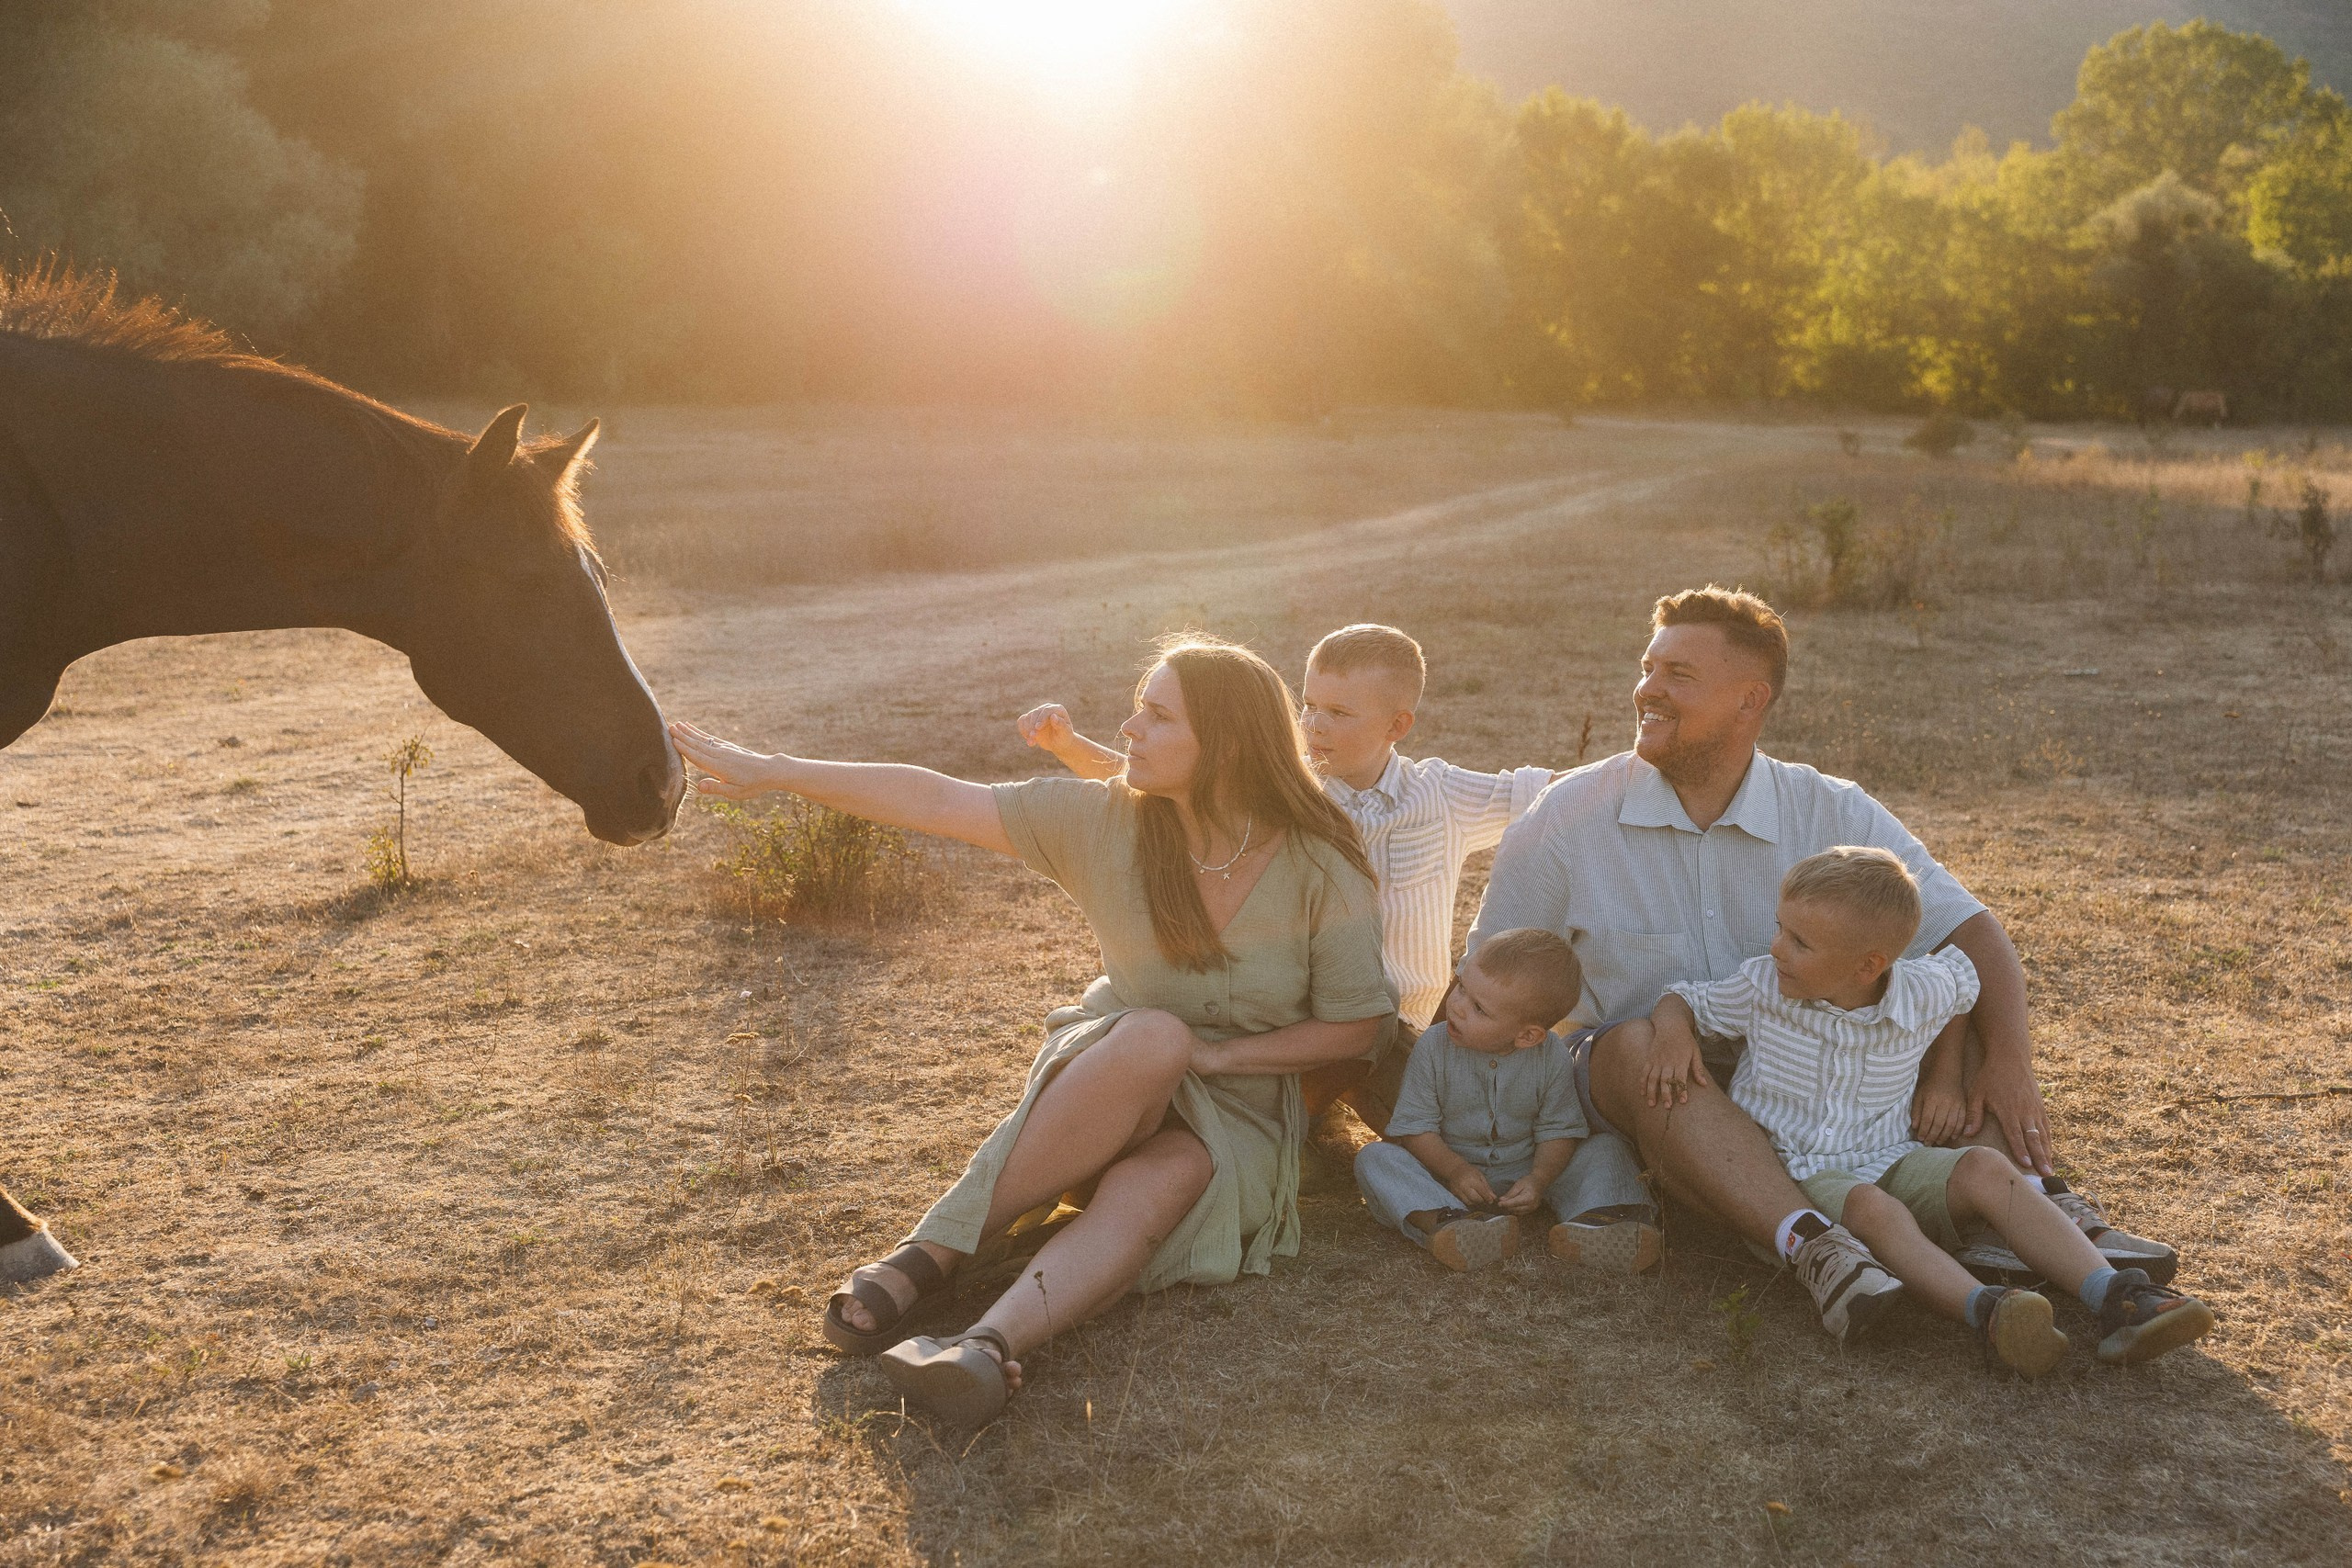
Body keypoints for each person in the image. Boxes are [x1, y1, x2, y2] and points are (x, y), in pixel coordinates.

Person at [671, 635, 1394, 1424]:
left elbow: (1357, 1027)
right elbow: (935, 799)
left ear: (1225, 745)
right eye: (1138, 709)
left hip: (1240, 1115)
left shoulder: (1320, 859)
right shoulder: (1105, 820)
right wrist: (776, 770)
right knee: (1153, 1035)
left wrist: (1221, 1056)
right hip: (1107, 1085)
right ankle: (935, 1251)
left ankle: (985, 1346)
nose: (1128, 728)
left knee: (1169, 1176)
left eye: (1157, 716)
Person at [1468, 585, 2177, 1345]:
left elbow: (1969, 933)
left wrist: (2009, 1058)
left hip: (1814, 1076)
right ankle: (1817, 1247)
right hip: (1658, 1084)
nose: (1648, 689)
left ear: (1750, 700)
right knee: (1637, 1042)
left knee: (1949, 1007)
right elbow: (1487, 978)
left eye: (1679, 674)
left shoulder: (1830, 808)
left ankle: (2032, 1208)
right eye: (1648, 667)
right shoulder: (1568, 815)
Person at [1020, 626, 1658, 1247]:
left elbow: (1558, 792)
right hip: (1292, 1018)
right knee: (1312, 1073)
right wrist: (1070, 746)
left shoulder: (1441, 792)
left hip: (1401, 1026)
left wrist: (1651, 758)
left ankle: (1510, 1193)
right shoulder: (1280, 793)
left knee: (1446, 1111)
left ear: (1397, 725)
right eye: (1309, 705)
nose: (1315, 725)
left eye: (1339, 712)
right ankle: (1287, 1142)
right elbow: (1158, 786)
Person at [1656, 847, 2214, 1373]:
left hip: (1890, 1155)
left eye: (1799, 941)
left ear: (1868, 966)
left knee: (1987, 1167)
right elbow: (1681, 999)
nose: (1777, 947)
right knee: (1874, 1208)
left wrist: (1945, 1078)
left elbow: (1962, 988)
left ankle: (2120, 1295)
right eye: (1780, 928)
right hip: (1798, 1174)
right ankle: (1990, 1311)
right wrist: (1672, 1033)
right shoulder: (1761, 987)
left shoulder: (1919, 988)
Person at [1355, 929, 1661, 1274]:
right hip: (1445, 1176)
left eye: (1479, 1008)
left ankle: (1605, 1220)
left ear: (1528, 1036)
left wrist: (1539, 1179)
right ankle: (1448, 1221)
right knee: (1374, 1157)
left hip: (1528, 1170)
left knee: (1606, 1147)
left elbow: (1559, 1130)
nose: (1456, 1007)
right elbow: (1416, 1128)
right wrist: (1455, 1171)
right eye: (1461, 987)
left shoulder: (1552, 1057)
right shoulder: (1432, 1047)